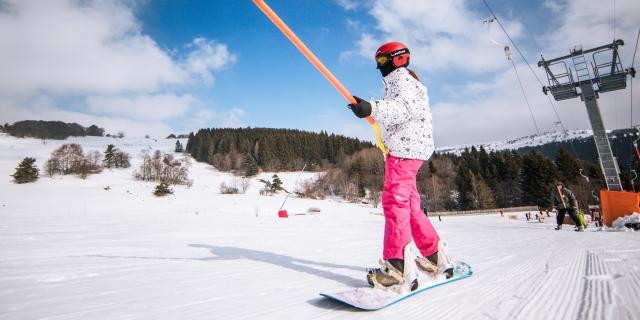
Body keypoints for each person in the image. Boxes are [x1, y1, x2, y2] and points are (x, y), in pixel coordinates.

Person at [348, 42, 452, 289]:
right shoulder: (405, 82)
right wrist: (371, 111)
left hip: (405, 151)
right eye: (377, 62)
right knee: (411, 206)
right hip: (412, 148)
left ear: (398, 60)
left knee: (395, 203)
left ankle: (397, 270)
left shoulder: (401, 80)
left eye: (382, 61)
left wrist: (371, 107)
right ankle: (435, 257)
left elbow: (403, 110)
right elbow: (402, 111)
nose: (379, 67)